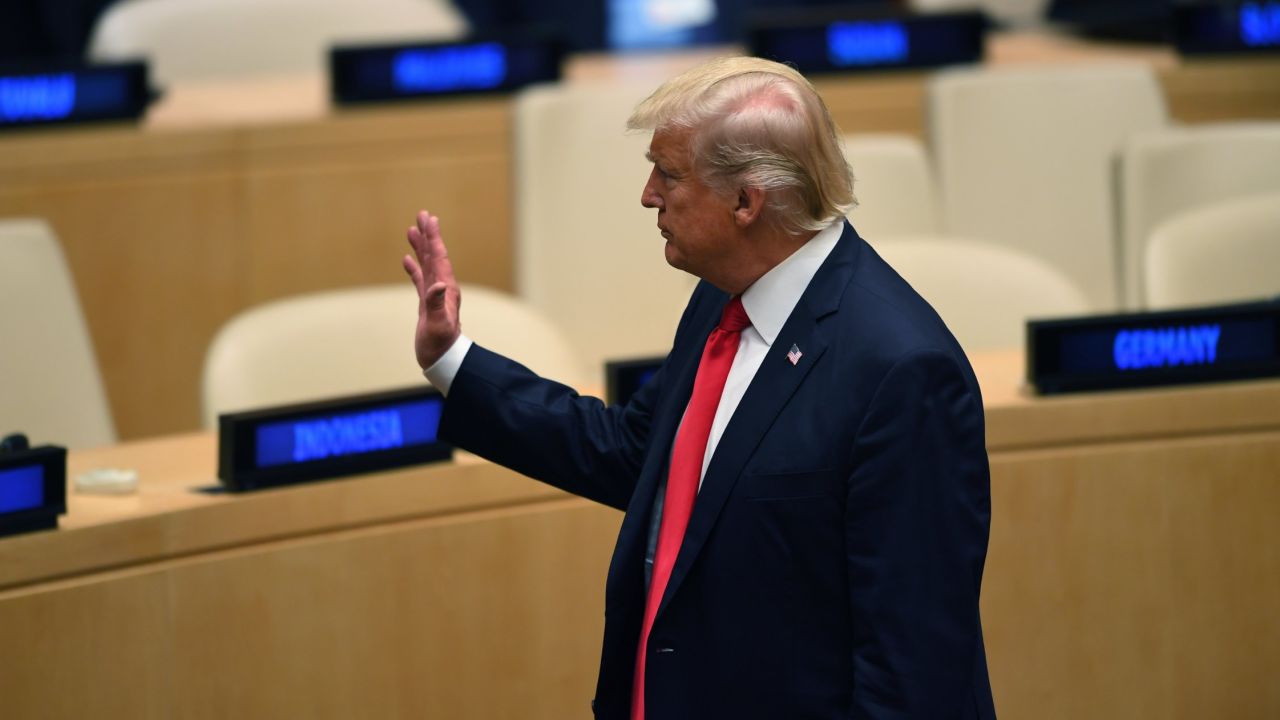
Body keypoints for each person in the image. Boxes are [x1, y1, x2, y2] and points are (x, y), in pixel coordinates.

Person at [402, 56, 996, 720]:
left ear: (746, 201)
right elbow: (634, 455)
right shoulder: (722, 299)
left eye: (669, 173)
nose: (648, 194)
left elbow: (913, 672)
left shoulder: (902, 371)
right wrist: (452, 359)